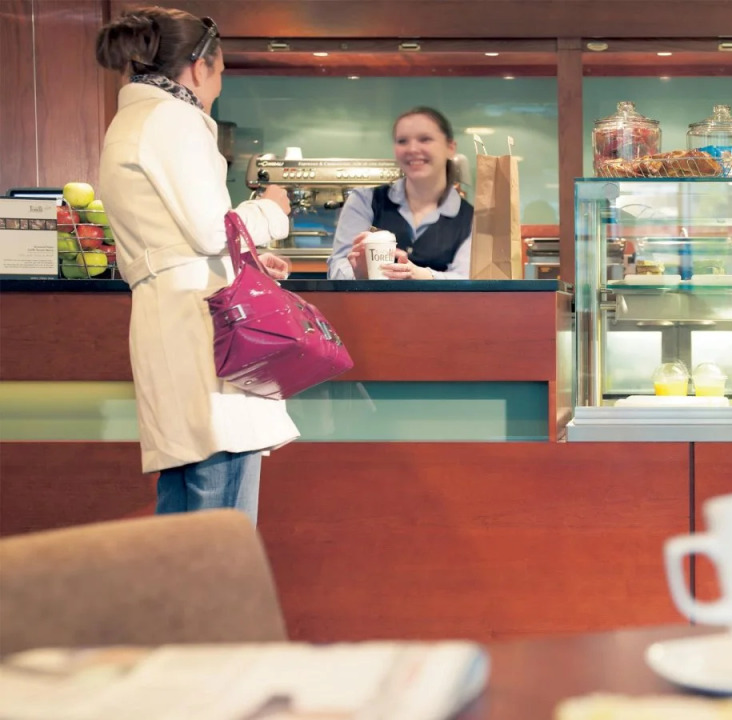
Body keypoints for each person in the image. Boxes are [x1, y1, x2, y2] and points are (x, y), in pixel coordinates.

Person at [95, 6, 298, 524]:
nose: (219, 86)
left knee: (185, 510)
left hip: (170, 316)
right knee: (221, 512)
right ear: (199, 66)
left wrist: (244, 255)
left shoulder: (133, 120)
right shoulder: (174, 118)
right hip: (201, 326)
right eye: (221, 71)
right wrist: (270, 209)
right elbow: (210, 230)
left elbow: (174, 236)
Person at [327, 107, 474, 280]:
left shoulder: (472, 219)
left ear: (450, 147)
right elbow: (338, 266)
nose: (412, 149)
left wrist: (421, 275)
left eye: (425, 139)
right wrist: (358, 274)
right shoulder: (364, 201)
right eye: (402, 141)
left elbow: (467, 277)